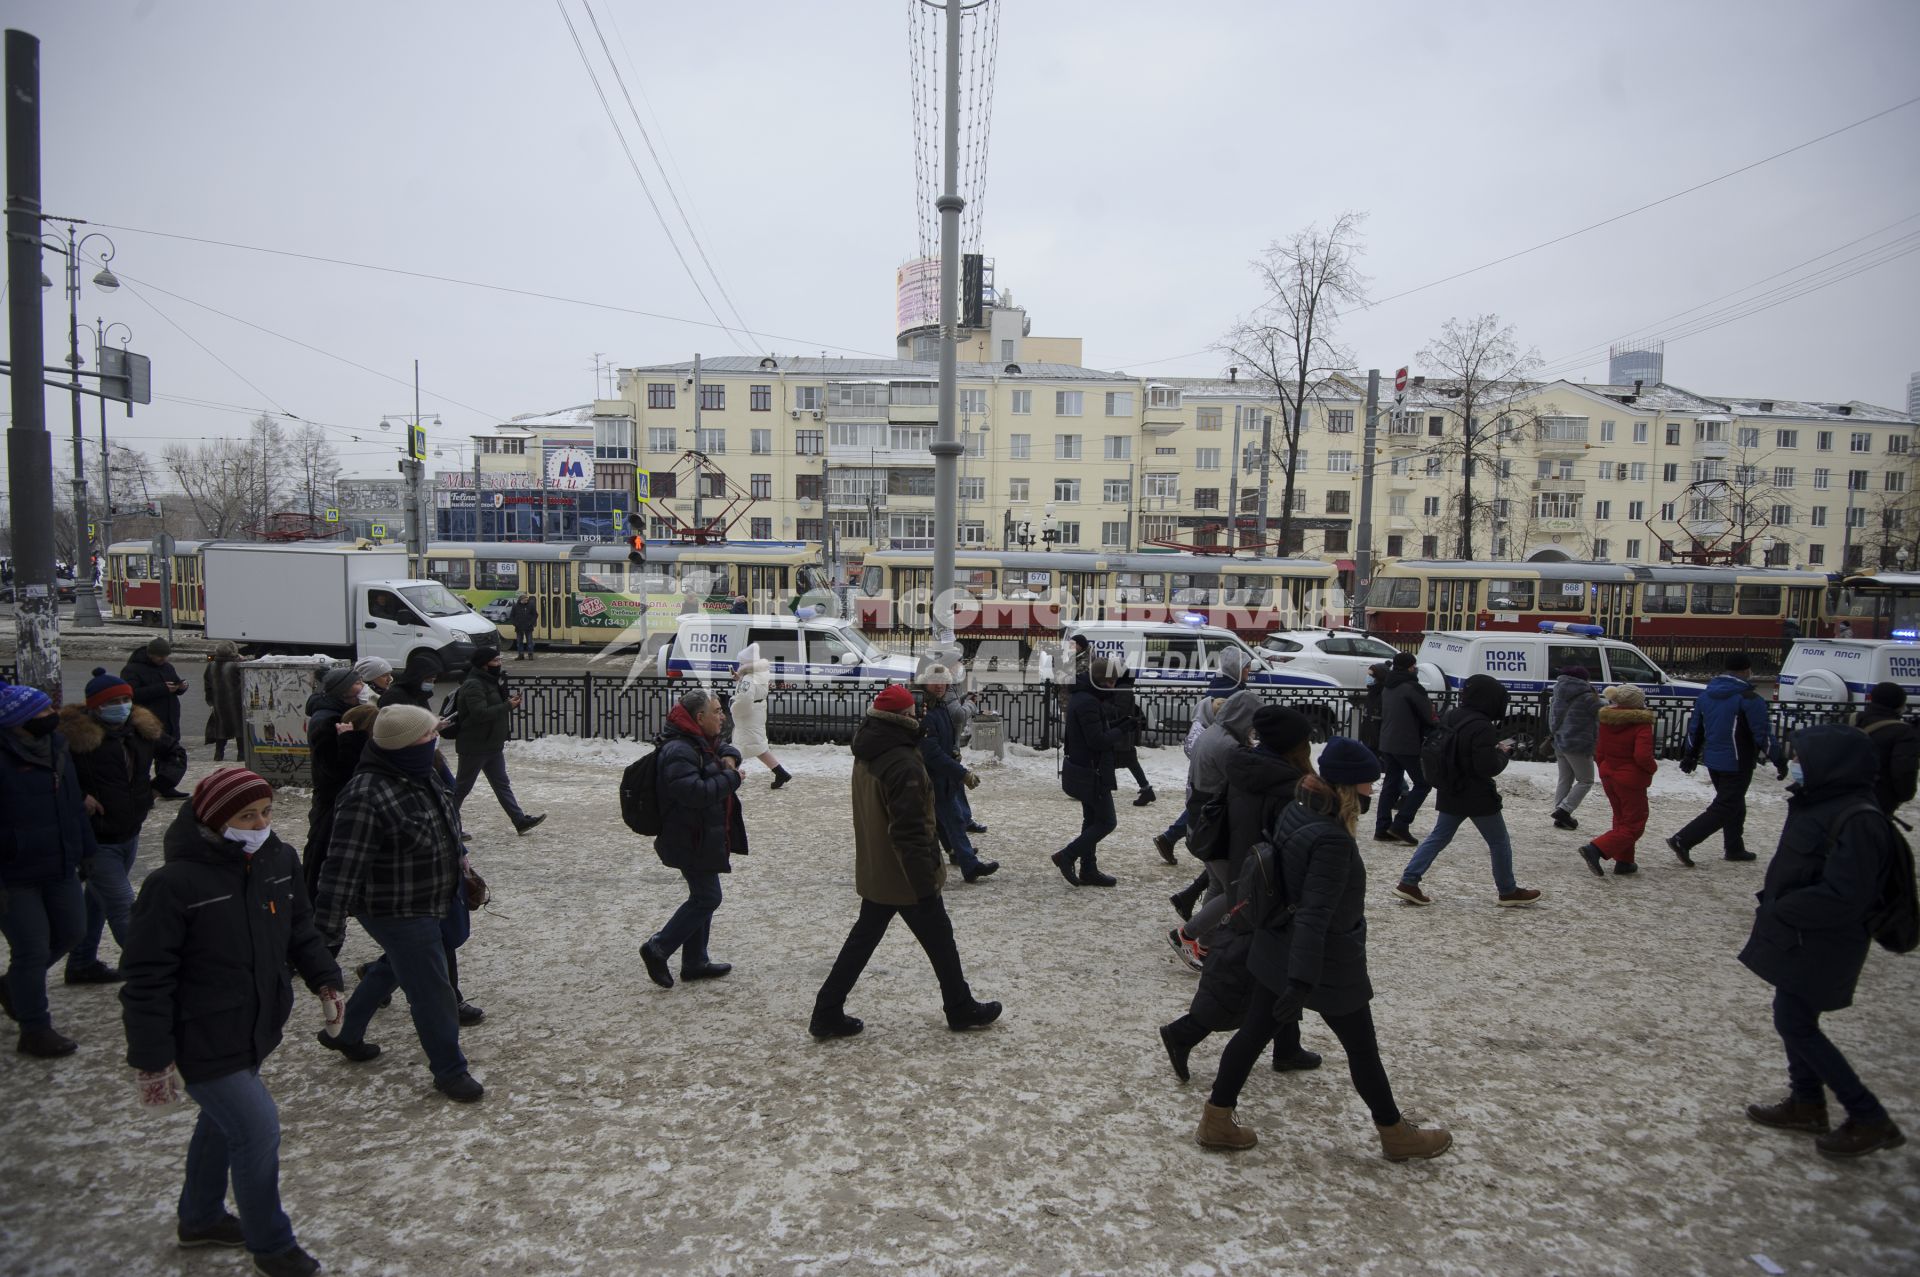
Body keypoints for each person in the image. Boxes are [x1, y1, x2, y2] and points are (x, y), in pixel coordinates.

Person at [120, 768, 343, 1276]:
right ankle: (271, 1245)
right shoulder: (174, 884)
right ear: (217, 820)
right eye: (246, 816)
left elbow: (299, 929)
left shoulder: (278, 859)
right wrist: (152, 1059)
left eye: (266, 812)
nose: (260, 823)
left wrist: (325, 979)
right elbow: (146, 977)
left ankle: (199, 1218)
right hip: (199, 1033)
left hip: (256, 1023)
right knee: (256, 1129)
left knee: (222, 1126)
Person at [1191, 738, 1452, 1162]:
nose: (1373, 790)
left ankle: (1216, 1118)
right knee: (1362, 1049)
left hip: (1277, 948)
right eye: (1368, 783)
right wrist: (1300, 980)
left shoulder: (1299, 806)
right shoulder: (1332, 840)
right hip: (1324, 960)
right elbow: (1314, 914)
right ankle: (1395, 1133)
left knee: (1253, 1034)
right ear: (1350, 787)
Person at [1739, 724, 1906, 1159]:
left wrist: (1784, 906)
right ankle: (1807, 1102)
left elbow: (1846, 895)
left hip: (1823, 939)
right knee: (1791, 1016)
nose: (1795, 763)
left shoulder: (1858, 817)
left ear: (1831, 764)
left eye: (1803, 757)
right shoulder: (1826, 802)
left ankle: (1868, 1117)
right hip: (1804, 935)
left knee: (1795, 1021)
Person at [809, 685, 1001, 1039]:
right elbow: (911, 831)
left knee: (865, 940)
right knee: (939, 938)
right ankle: (959, 1007)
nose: (919, 716)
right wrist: (925, 883)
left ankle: (827, 1009)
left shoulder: (871, 748)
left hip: (880, 866)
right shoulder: (902, 761)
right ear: (901, 717)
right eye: (913, 712)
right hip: (906, 873)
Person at [314, 704, 484, 1103]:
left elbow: (446, 829)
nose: (435, 741)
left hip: (433, 898)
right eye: (429, 736)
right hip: (395, 908)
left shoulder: (422, 773)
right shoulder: (365, 794)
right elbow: (340, 869)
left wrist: (461, 866)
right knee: (432, 989)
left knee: (396, 964)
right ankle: (449, 1070)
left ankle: (347, 1032)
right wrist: (325, 938)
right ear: (406, 744)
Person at [1158, 705, 1322, 1076]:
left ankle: (1288, 1045)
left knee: (1275, 975)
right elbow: (1290, 843)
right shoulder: (1284, 785)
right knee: (1244, 975)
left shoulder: (1247, 768)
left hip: (1249, 875)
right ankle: (1185, 1032)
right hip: (1268, 888)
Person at [58, 669, 187, 986]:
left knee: (96, 900)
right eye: (113, 701)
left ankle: (81, 963)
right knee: (121, 905)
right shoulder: (72, 737)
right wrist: (78, 798)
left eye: (126, 700)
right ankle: (154, 975)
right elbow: (50, 776)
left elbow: (175, 753)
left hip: (129, 829)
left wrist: (158, 787)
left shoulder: (140, 729)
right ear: (95, 706)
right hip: (94, 837)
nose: (122, 706)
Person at [0, 684, 94, 1057]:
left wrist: (86, 850)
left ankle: (15, 986)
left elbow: (73, 804)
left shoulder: (56, 749)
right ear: (16, 721)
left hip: (60, 862)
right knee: (32, 948)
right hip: (12, 874)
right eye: (39, 715)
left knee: (73, 931)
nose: (49, 718)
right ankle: (34, 1029)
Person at [1393, 674, 1542, 907]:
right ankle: (1507, 890)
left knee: (1438, 837)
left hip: (1450, 786)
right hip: (1476, 793)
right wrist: (1503, 753)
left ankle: (1409, 881)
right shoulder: (1483, 726)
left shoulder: (1453, 715)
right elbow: (1487, 767)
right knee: (1499, 841)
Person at [639, 689, 749, 989]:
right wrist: (732, 779)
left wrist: (730, 756)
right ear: (699, 718)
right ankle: (657, 948)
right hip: (689, 835)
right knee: (707, 897)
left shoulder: (696, 739)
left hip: (702, 834)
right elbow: (694, 793)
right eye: (717, 711)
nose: (723, 714)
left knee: (703, 896)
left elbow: (722, 749)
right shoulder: (679, 749)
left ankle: (695, 961)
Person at [1167, 689, 1263, 965]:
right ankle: (1186, 935)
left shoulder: (1212, 733)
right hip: (1217, 822)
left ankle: (1205, 945)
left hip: (1203, 818)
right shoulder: (1228, 745)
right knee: (1236, 891)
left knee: (1218, 885)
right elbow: (1244, 781)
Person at [1667, 651, 1775, 866]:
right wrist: (1778, 759)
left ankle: (1734, 847)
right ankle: (1683, 839)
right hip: (1738, 760)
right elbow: (1762, 733)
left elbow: (1695, 729)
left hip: (1714, 759)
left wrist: (1689, 755)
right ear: (1746, 670)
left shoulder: (1707, 695)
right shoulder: (1748, 698)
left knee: (1734, 802)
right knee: (1726, 805)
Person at [1053, 656, 1129, 888]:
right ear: (1102, 681)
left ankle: (1088, 868)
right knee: (1107, 821)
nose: (1115, 685)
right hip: (1092, 771)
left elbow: (1095, 731)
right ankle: (1067, 855)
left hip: (1087, 769)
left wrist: (1121, 724)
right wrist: (1122, 731)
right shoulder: (1088, 702)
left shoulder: (1085, 697)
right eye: (1113, 680)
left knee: (1092, 819)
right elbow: (1096, 741)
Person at [451, 650, 545, 835]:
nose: (499, 663)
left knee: (502, 784)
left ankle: (519, 820)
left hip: (492, 745)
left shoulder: (489, 681)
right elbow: (479, 714)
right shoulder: (473, 685)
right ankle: (449, 825)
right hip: (475, 746)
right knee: (461, 789)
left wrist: (507, 703)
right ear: (484, 664)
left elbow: (492, 709)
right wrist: (507, 706)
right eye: (495, 660)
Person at [919, 666, 997, 883]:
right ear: (925, 683)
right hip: (933, 779)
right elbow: (931, 753)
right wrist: (961, 773)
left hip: (939, 778)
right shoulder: (927, 711)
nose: (939, 685)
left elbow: (942, 741)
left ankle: (961, 857)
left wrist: (953, 751)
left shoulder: (939, 706)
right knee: (951, 819)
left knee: (946, 821)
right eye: (934, 681)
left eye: (943, 681)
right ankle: (968, 864)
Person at [302, 704, 378, 899]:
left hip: (337, 817)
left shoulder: (350, 744)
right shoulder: (331, 745)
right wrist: (351, 741)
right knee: (321, 873)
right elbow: (344, 777)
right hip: (328, 818)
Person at [1581, 684, 1657, 876]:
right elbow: (1642, 756)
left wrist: (1605, 769)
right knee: (1634, 824)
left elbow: (1600, 751)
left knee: (1621, 819)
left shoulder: (1608, 719)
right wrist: (1652, 768)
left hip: (1610, 775)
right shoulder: (1641, 724)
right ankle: (1596, 848)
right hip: (1631, 779)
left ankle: (1624, 861)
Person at [303, 665, 366, 873]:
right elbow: (334, 768)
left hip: (335, 794)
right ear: (344, 690)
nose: (363, 686)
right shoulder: (327, 720)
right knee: (323, 846)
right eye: (358, 683)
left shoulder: (341, 712)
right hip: (331, 797)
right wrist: (350, 740)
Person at [1373, 651, 1436, 846]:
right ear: (1410, 667)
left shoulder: (1388, 686)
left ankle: (1382, 828)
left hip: (1388, 742)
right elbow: (1427, 714)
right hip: (1407, 743)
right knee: (1423, 783)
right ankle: (1401, 823)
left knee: (1391, 784)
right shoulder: (1412, 688)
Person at [121, 637, 190, 796]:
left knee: (168, 755)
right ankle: (142, 791)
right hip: (147, 720)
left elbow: (175, 684)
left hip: (170, 717)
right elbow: (131, 694)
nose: (163, 659)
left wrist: (181, 687)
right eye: (160, 656)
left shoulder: (167, 667)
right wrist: (162, 688)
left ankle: (163, 787)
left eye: (165, 656)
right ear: (150, 654)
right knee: (144, 758)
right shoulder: (132, 669)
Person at [729, 644, 792, 788]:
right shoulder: (759, 674)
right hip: (756, 714)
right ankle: (780, 773)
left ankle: (732, 775)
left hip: (747, 716)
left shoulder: (748, 679)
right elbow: (755, 690)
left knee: (741, 746)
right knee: (756, 746)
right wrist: (740, 679)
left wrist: (733, 707)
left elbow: (744, 699)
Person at [1853, 681, 1919, 817]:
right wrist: (1904, 795)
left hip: (1843, 792)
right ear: (1899, 705)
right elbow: (1903, 769)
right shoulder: (1903, 732)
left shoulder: (1852, 720)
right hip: (1879, 797)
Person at [1548, 663, 1602, 830]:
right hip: (1579, 744)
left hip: (1559, 741)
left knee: (1565, 779)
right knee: (1586, 780)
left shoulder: (1558, 692)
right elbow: (1604, 713)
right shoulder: (1587, 696)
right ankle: (1564, 810)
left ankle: (1560, 814)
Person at [1112, 668, 1155, 806]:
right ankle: (1146, 790)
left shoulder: (1122, 689)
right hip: (1124, 735)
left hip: (1121, 736)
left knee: (1107, 762)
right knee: (1131, 763)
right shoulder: (1124, 688)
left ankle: (1097, 789)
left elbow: (1120, 711)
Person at [203, 641, 245, 762]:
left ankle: (218, 754)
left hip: (219, 703)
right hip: (236, 703)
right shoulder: (236, 665)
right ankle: (241, 755)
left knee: (220, 728)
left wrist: (210, 701)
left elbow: (208, 685)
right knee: (239, 728)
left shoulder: (211, 665)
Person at [380, 646, 444, 712]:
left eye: (433, 681)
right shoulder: (394, 696)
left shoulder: (420, 694)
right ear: (417, 678)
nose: (431, 684)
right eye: (429, 681)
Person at [508, 593, 538, 659]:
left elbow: (535, 615)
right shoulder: (515, 606)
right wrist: (515, 624)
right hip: (519, 627)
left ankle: (530, 655)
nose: (526, 601)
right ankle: (520, 655)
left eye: (527, 600)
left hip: (528, 627)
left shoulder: (531, 605)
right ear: (521, 600)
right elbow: (511, 616)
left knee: (529, 642)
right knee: (519, 642)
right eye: (525, 600)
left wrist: (531, 623)